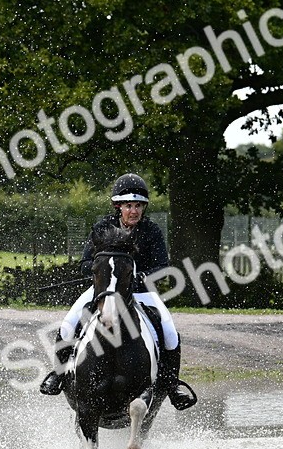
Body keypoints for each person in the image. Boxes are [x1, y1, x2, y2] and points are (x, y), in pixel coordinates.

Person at [39, 173, 197, 410]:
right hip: (104, 290)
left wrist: (141, 276)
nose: (134, 211)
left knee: (169, 331)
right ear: (118, 206)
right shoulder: (103, 228)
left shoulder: (151, 231)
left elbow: (162, 268)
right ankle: (59, 375)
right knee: (68, 324)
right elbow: (85, 263)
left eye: (138, 206)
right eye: (128, 206)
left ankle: (172, 385)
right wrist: (100, 270)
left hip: (141, 292)